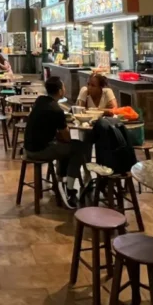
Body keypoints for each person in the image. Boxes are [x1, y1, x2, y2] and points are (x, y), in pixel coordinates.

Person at [24, 76, 89, 208]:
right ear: (60, 91)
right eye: (63, 87)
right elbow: (66, 137)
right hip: (39, 151)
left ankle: (61, 181)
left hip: (28, 147)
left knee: (65, 148)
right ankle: (69, 190)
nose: (64, 89)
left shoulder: (40, 100)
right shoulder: (56, 110)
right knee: (77, 148)